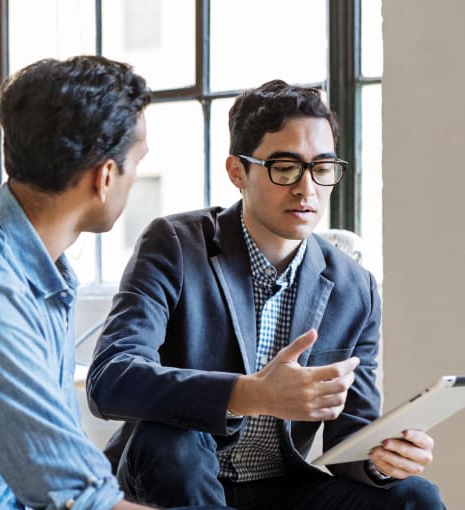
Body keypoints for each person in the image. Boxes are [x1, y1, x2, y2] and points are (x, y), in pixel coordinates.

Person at [86, 80, 446, 510]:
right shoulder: (176, 244)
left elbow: (349, 435)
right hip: (170, 467)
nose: (306, 188)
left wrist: (382, 461)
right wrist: (250, 393)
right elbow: (111, 379)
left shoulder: (355, 288)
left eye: (322, 167)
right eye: (285, 166)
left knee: (415, 498)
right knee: (176, 442)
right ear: (238, 171)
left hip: (279, 486)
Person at [0, 55, 227, 510]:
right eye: (136, 163)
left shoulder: (34, 268)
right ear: (104, 177)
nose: (134, 176)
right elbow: (79, 499)